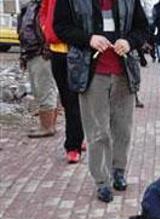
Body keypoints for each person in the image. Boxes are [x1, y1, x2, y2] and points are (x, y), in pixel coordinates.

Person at [54, 0, 149, 202]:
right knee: (98, 131)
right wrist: (88, 38)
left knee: (122, 128)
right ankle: (101, 181)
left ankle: (118, 171)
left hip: (124, 73)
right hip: (91, 72)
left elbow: (142, 28)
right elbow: (60, 27)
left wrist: (130, 42)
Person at [40, 0, 86, 163]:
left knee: (76, 100)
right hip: (57, 52)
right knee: (68, 101)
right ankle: (78, 137)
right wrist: (46, 29)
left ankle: (73, 145)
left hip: (78, 50)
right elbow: (44, 11)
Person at [18, 0, 58, 139]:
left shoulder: (46, 5)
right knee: (39, 89)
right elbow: (24, 31)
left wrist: (47, 48)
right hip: (31, 52)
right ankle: (47, 125)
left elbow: (48, 28)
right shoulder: (29, 7)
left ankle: (47, 127)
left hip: (41, 52)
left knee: (45, 89)